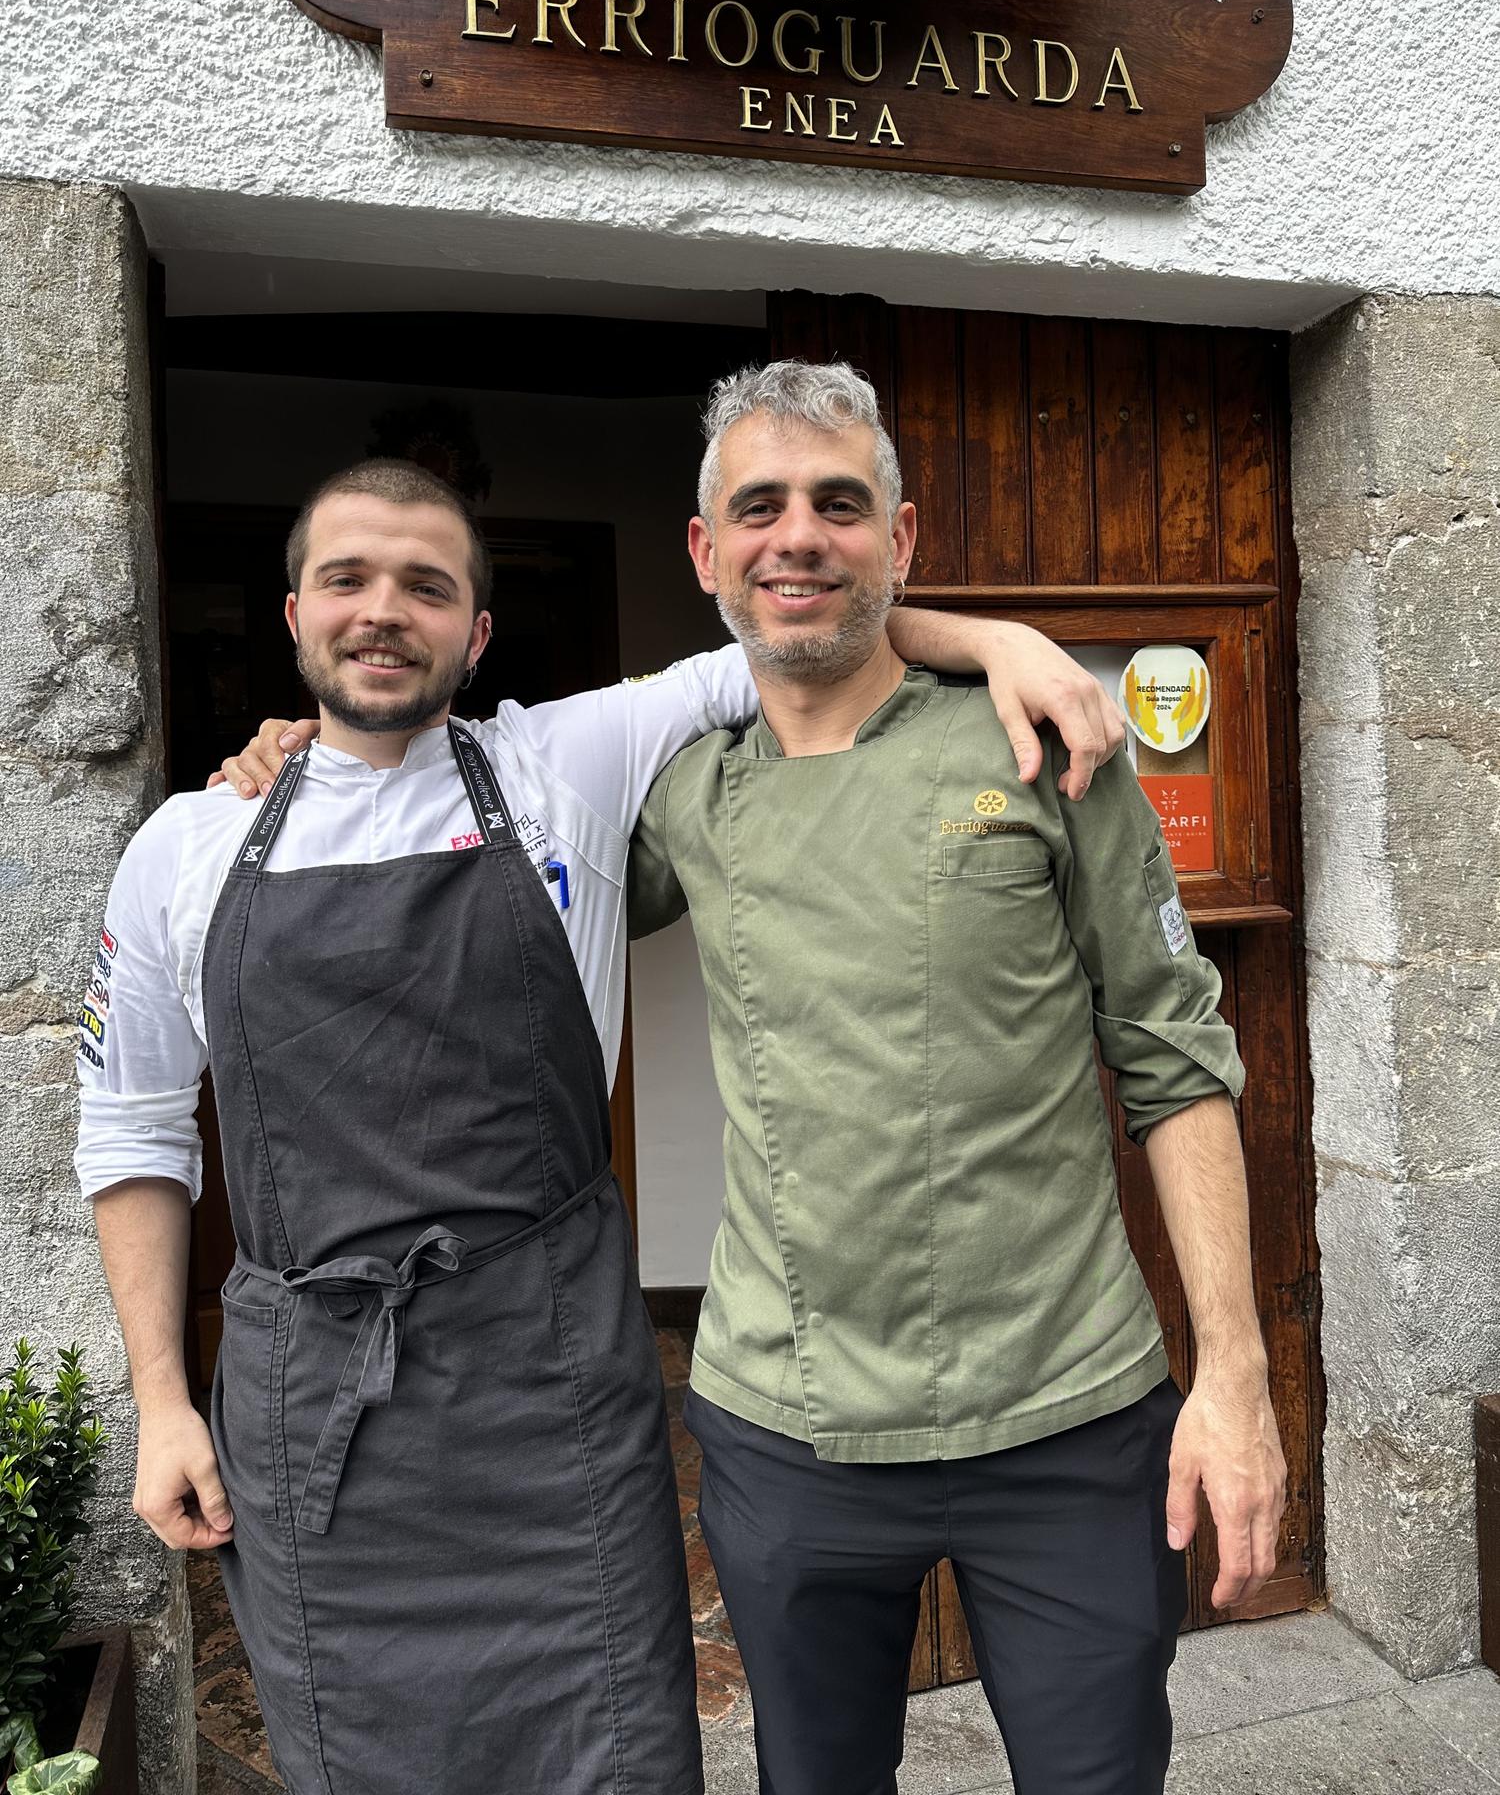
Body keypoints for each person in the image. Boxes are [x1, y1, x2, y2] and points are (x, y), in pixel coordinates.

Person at [80, 456, 1127, 1795]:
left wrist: (1003, 641)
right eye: (346, 579)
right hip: (316, 1429)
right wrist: (163, 1401)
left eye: (426, 585)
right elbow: (134, 1130)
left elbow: (799, 624)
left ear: (478, 631)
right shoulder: (182, 847)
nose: (383, 610)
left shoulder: (563, 761)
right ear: (294, 616)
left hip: (550, 1393)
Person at [616, 361, 1287, 1795]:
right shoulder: (680, 788)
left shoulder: (1046, 742)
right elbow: (482, 856)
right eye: (762, 507)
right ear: (706, 550)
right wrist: (295, 761)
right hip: (788, 1427)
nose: (799, 535)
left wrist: (1233, 1376)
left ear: (901, 539)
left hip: (1072, 1420)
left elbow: (1174, 1063)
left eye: (840, 504)